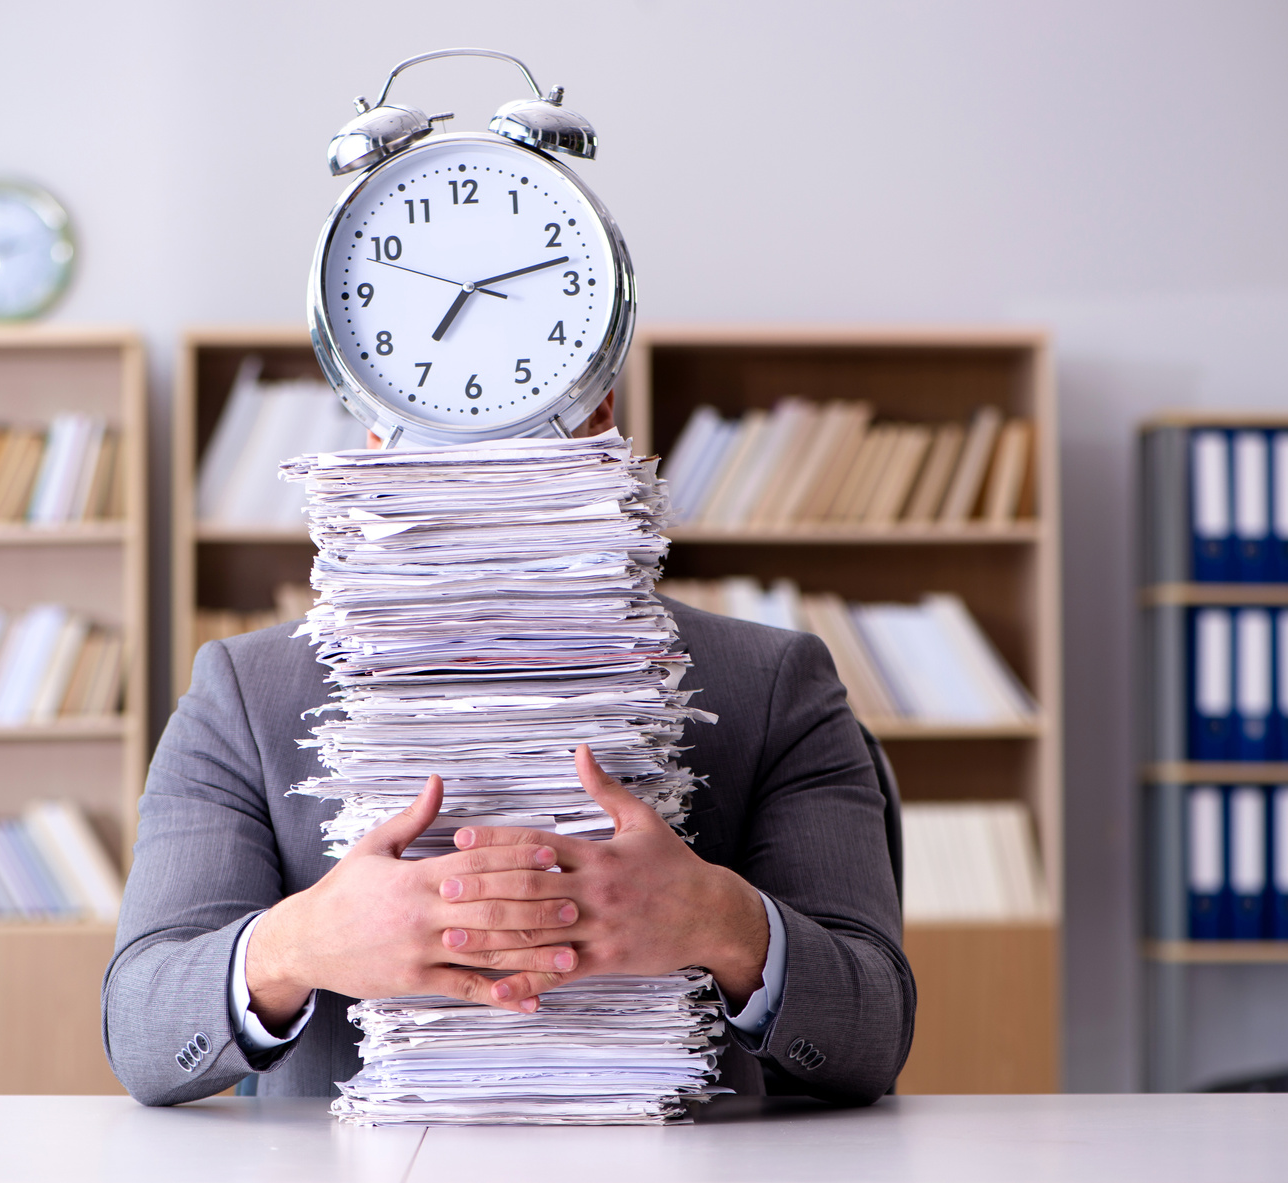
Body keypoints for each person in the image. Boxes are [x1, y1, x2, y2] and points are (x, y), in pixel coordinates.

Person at [101, 392, 914, 1105]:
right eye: (439, 420)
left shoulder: (774, 680)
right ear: (377, 436)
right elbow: (140, 1034)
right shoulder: (245, 690)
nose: (481, 462)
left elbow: (873, 1032)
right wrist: (296, 944)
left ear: (598, 421)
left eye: (517, 414)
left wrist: (727, 924)